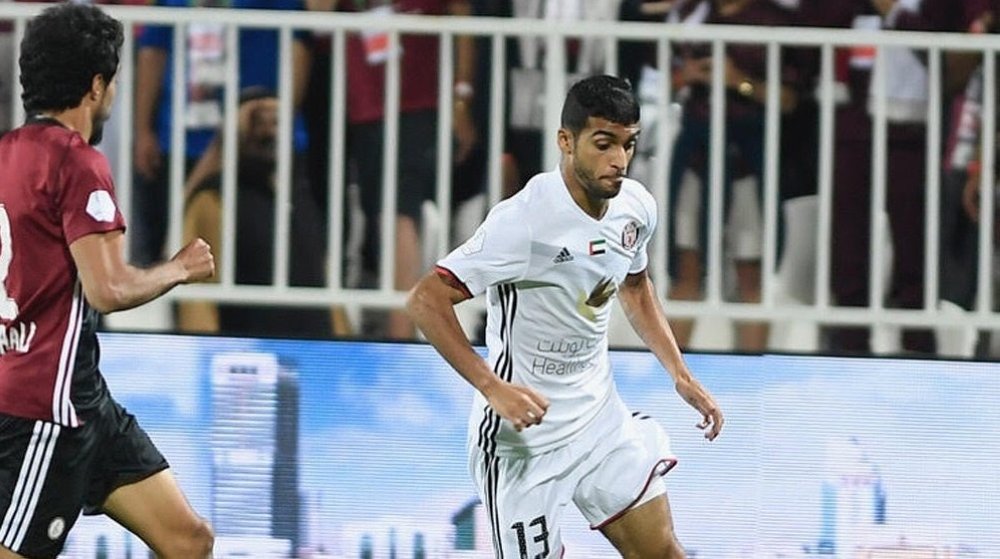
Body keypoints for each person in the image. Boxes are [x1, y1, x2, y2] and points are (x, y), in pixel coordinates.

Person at [407, 75, 723, 557]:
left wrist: (680, 373)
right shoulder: (525, 221)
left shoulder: (635, 207)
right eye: (604, 144)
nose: (620, 161)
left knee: (663, 551)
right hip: (524, 440)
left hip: (600, 419)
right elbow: (426, 300)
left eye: (629, 144)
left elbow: (635, 285)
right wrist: (492, 387)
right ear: (566, 141)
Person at [0, 4, 215, 558]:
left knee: (189, 540)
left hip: (84, 398)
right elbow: (108, 290)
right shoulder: (77, 162)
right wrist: (180, 267)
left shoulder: (7, 154)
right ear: (96, 86)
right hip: (45, 406)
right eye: (113, 81)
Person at [177, 87, 352, 338]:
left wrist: (343, 344)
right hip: (246, 350)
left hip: (314, 351)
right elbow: (198, 294)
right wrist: (205, 348)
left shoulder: (301, 198)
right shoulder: (213, 199)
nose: (270, 131)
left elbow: (324, 280)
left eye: (277, 122)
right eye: (258, 122)